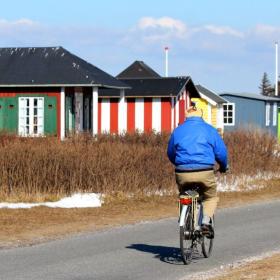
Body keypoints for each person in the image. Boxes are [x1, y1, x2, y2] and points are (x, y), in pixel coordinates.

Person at [167, 105, 228, 234]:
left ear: (186, 116)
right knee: (210, 196)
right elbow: (221, 152)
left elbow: (171, 153)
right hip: (205, 171)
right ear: (201, 116)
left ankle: (189, 226)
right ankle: (206, 221)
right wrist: (223, 166)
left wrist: (179, 163)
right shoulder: (210, 130)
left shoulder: (178, 131)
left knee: (186, 194)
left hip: (182, 172)